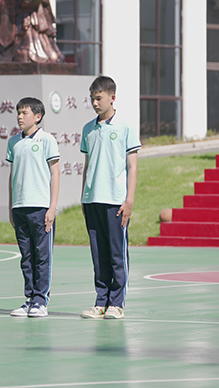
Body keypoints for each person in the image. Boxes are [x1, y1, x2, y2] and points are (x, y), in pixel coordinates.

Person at [79, 76, 140, 320]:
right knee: (98, 254)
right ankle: (101, 302)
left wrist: (129, 201)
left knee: (117, 254)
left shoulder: (125, 127)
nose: (95, 103)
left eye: (99, 98)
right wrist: (83, 197)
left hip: (116, 201)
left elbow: (132, 167)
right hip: (92, 200)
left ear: (112, 98)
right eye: (92, 99)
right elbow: (87, 166)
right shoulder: (88, 129)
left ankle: (117, 303)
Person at [6, 97, 60, 318]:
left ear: (38, 116)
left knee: (42, 255)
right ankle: (29, 298)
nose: (20, 117)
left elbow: (55, 174)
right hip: (20, 207)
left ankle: (41, 300)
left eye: (24, 113)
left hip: (41, 207)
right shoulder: (13, 142)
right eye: (18, 113)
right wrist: (11, 206)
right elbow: (12, 176)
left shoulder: (47, 140)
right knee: (26, 256)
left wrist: (52, 207)